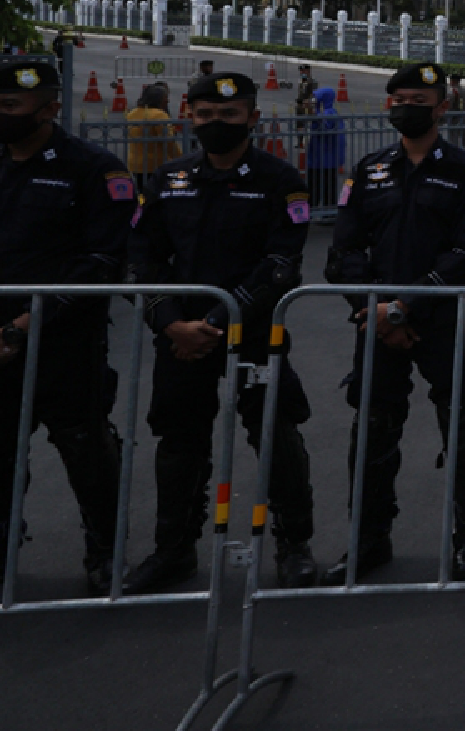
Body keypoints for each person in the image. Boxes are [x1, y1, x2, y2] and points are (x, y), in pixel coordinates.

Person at [124, 72, 320, 592]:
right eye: (206, 115)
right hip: (181, 338)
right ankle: (173, 549)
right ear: (189, 116)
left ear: (252, 119)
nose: (216, 124)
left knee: (276, 435)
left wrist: (217, 321)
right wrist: (170, 321)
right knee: (179, 441)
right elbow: (141, 259)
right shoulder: (167, 180)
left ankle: (295, 545)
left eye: (229, 115)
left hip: (251, 332)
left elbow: (282, 265)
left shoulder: (282, 180)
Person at [322, 62, 465, 584]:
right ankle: (368, 540)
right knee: (373, 431)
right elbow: (344, 253)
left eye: (421, 100)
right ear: (387, 106)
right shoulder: (367, 171)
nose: (408, 108)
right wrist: (371, 309)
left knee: (463, 426)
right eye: (400, 99)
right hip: (375, 322)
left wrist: (405, 308)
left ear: (443, 107)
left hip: (445, 318)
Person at [0, 60, 131, 596]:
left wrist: (23, 326)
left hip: (65, 345)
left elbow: (102, 261)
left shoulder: (94, 170)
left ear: (48, 108)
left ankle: (106, 552)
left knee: (86, 451)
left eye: (9, 107)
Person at [125, 81, 180, 178]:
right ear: (158, 99)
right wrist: (180, 158)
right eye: (165, 98)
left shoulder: (133, 113)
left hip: (135, 164)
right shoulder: (159, 115)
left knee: (142, 191)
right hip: (154, 164)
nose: (168, 101)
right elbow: (168, 142)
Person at [305, 86, 346, 214]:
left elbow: (324, 128)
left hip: (325, 158)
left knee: (322, 185)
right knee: (319, 185)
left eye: (316, 98)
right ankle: (319, 210)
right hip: (321, 157)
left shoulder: (329, 113)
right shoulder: (326, 112)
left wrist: (315, 115)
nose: (314, 100)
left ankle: (324, 212)